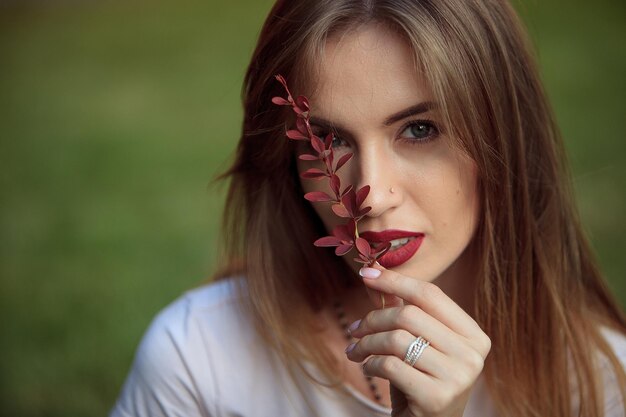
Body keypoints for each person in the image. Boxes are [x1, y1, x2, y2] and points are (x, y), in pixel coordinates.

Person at [110, 0, 626, 416]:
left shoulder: (600, 384)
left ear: (505, 139)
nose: (371, 194)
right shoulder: (198, 360)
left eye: (419, 129)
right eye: (329, 137)